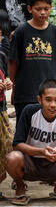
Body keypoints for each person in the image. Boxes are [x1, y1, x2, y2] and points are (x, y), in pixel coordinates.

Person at [9, 0, 56, 121]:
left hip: (50, 92)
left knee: (49, 129)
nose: (42, 12)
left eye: (46, 9)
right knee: (25, 129)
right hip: (26, 91)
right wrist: (14, 85)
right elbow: (12, 61)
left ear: (51, 8)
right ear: (30, 9)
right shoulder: (21, 32)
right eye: (38, 9)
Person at [0, 44, 13, 199]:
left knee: (7, 146)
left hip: (1, 109)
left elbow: (7, 77)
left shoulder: (2, 55)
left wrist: (8, 83)